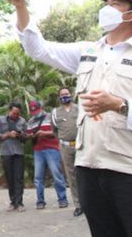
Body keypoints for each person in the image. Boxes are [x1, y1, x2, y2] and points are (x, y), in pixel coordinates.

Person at [4, 0, 132, 237]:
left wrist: (118, 104)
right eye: (107, 4)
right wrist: (21, 6)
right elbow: (38, 49)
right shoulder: (88, 51)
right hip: (89, 167)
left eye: (116, 4)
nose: (107, 9)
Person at [26, 99, 68, 210]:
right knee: (38, 177)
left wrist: (44, 133)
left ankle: (62, 199)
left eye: (37, 111)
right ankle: (40, 201)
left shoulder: (50, 117)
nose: (35, 113)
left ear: (41, 108)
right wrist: (31, 136)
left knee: (56, 174)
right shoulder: (30, 121)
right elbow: (28, 134)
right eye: (33, 112)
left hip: (52, 149)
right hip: (38, 150)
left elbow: (58, 132)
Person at [51, 86, 82, 216]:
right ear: (59, 97)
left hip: (81, 146)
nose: (65, 96)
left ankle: (90, 203)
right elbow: (54, 130)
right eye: (62, 95)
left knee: (84, 175)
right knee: (71, 176)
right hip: (66, 147)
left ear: (71, 94)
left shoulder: (79, 108)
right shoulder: (56, 112)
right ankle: (78, 205)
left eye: (67, 94)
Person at [0, 103, 27, 212]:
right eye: (14, 113)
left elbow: (26, 138)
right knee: (10, 178)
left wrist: (20, 135)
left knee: (19, 178)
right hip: (6, 152)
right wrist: (8, 135)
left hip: (18, 152)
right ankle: (13, 202)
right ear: (9, 111)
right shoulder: (0, 120)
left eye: (17, 114)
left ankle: (20, 202)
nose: (15, 115)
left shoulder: (22, 121)